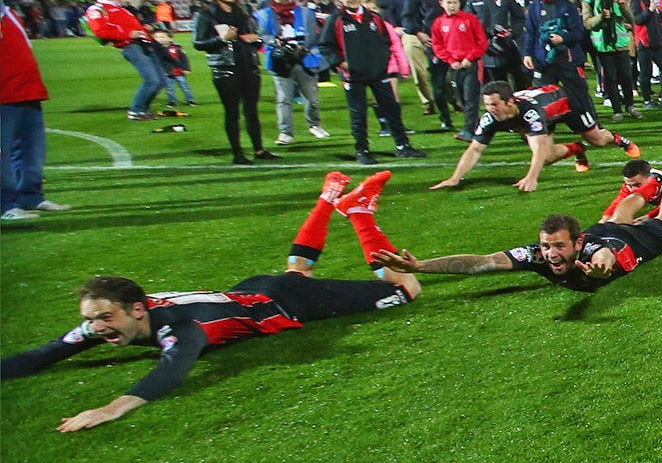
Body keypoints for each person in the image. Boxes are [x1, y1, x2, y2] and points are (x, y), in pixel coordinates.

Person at [3, 171, 418, 430]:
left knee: (406, 289)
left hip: (284, 303)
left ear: (136, 309)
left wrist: (113, 408)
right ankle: (331, 201)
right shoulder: (117, 319)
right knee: (295, 269)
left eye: (104, 318)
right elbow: (48, 352)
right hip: (252, 292)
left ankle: (358, 211)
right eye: (92, 320)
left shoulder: (179, 330)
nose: (97, 328)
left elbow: (172, 373)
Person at [374, 175, 662, 294]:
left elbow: (604, 258)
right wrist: (420, 267)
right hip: (605, 230)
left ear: (577, 244)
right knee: (617, 216)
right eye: (546, 246)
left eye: (558, 247)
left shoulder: (592, 252)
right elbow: (484, 263)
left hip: (632, 244)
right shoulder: (540, 254)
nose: (551, 253)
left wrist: (601, 268)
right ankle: (651, 184)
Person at [430, 80, 642, 191]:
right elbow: (475, 148)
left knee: (597, 140)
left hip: (567, 103)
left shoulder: (530, 112)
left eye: (494, 104)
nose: (490, 109)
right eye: (487, 105)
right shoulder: (490, 118)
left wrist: (531, 178)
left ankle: (617, 139)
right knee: (547, 158)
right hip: (545, 114)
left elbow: (538, 147)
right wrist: (455, 178)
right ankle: (576, 148)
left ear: (509, 102)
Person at [318, 0, 425, 166]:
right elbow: (325, 46)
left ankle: (402, 146)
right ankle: (362, 150)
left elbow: (385, 41)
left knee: (392, 109)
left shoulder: (374, 18)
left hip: (378, 73)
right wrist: (341, 63)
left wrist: (382, 61)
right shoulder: (335, 20)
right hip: (353, 75)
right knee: (358, 114)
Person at [192, 0, 275, 165]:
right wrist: (222, 39)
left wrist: (256, 39)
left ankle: (259, 149)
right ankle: (238, 153)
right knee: (232, 112)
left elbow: (257, 40)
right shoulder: (205, 16)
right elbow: (198, 43)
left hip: (249, 66)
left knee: (252, 110)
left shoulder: (243, 14)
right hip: (225, 69)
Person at [1, 3, 66, 222]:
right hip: (4, 94)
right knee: (3, 154)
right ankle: (4, 204)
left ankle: (31, 196)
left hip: (28, 91)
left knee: (32, 151)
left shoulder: (8, 13)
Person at [84, 0, 168, 120]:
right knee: (152, 80)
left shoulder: (119, 9)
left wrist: (145, 30)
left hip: (145, 44)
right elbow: (100, 31)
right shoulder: (96, 9)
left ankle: (143, 110)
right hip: (131, 46)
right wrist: (129, 33)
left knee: (161, 81)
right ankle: (136, 110)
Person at [257, 0, 327, 145]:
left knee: (312, 97)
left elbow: (312, 34)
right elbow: (263, 35)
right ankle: (285, 132)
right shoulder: (264, 15)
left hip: (305, 59)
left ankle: (314, 124)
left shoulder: (305, 12)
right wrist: (275, 43)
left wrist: (302, 49)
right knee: (283, 98)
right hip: (280, 60)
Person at [428, 0, 489, 141]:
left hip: (472, 64)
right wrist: (450, 61)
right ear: (441, 4)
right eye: (449, 2)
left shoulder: (470, 20)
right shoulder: (439, 23)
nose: (452, 5)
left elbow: (481, 41)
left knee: (471, 96)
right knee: (461, 97)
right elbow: (437, 45)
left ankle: (469, 130)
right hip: (454, 65)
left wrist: (470, 57)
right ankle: (476, 125)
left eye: (455, 2)